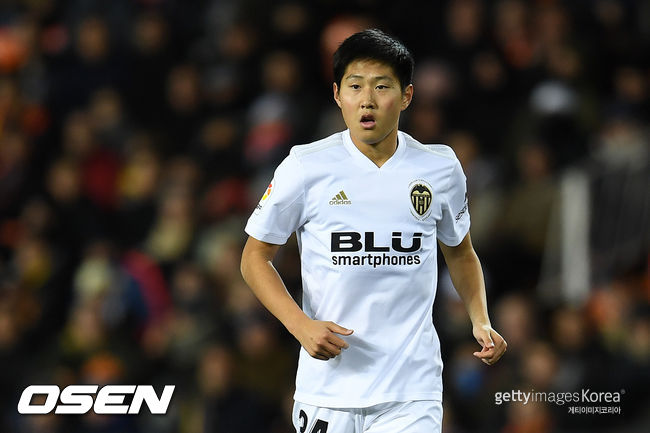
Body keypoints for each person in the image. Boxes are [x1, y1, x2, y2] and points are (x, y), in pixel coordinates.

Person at [240, 29, 506, 433]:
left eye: (381, 86)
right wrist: (300, 325)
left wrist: (480, 319)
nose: (367, 99)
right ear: (337, 94)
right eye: (355, 86)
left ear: (407, 96)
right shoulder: (305, 167)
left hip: (411, 390)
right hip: (328, 388)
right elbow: (254, 258)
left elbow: (460, 251)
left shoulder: (439, 168)